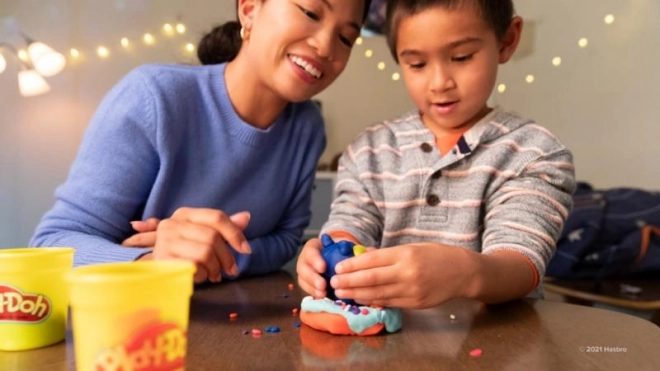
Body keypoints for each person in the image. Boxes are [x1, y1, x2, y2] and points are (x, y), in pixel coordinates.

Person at [30, 0, 372, 284]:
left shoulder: (307, 127)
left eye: (345, 38)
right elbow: (51, 245)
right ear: (250, 9)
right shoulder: (154, 99)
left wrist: (211, 257)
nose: (326, 46)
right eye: (311, 13)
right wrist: (153, 261)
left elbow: (285, 240)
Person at [297, 0, 576, 308]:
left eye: (461, 57)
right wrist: (332, 254)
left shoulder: (534, 153)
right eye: (417, 64)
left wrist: (465, 274)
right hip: (387, 348)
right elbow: (350, 222)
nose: (439, 83)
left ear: (507, 40)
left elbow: (524, 264)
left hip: (502, 348)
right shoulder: (369, 152)